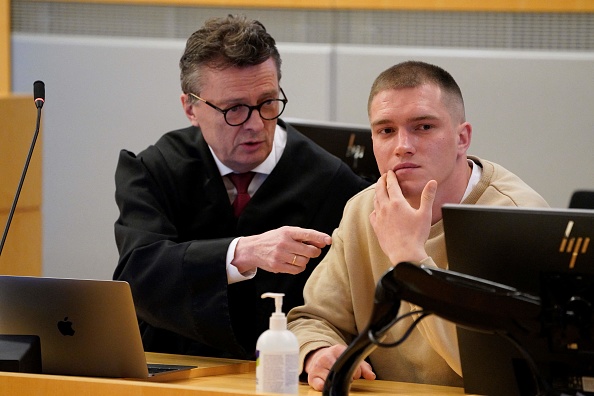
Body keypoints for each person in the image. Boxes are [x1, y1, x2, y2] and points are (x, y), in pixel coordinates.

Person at [113, 15, 370, 361]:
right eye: (234, 109)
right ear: (191, 107)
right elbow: (138, 274)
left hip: (284, 371)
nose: (255, 124)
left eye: (267, 103)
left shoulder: (332, 182)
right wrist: (240, 253)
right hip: (174, 366)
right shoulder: (154, 170)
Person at [287, 60, 549, 390]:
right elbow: (313, 318)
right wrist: (318, 352)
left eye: (423, 127)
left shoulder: (515, 217)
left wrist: (409, 258)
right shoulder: (364, 209)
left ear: (462, 137)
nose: (402, 146)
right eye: (386, 131)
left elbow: (504, 371)